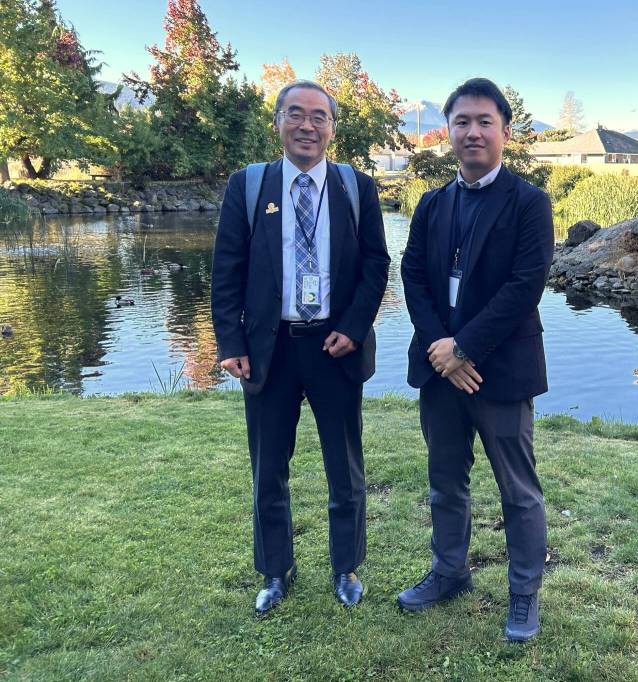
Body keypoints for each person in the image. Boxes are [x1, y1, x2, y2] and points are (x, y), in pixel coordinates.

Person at [211, 80, 389, 614]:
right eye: (295, 114)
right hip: (270, 350)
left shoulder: (357, 188)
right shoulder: (248, 187)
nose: (307, 125)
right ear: (279, 123)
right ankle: (274, 570)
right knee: (268, 469)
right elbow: (226, 271)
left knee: (345, 467)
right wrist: (230, 341)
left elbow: (377, 266)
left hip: (335, 349)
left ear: (333, 128)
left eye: (319, 116)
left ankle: (346, 567)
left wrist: (354, 327)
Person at [398, 77, 554, 642]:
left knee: (518, 490)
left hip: (499, 371)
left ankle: (523, 594)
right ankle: (449, 572)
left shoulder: (530, 203)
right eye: (462, 122)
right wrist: (443, 348)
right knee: (445, 481)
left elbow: (523, 286)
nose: (473, 132)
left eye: (485, 121)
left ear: (505, 132)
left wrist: (464, 348)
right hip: (441, 372)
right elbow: (412, 275)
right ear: (449, 132)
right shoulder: (433, 203)